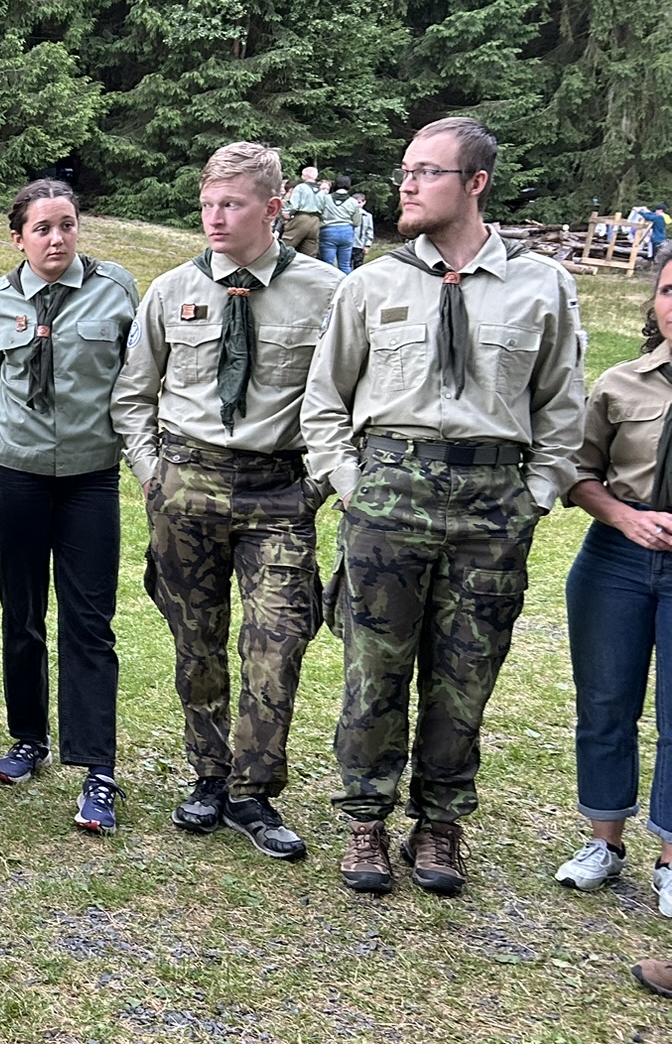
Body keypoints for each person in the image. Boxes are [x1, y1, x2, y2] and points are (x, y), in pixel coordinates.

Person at [302, 116, 586, 897]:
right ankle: (365, 818)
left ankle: (439, 823)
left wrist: (534, 496)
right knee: (374, 670)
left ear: (476, 183)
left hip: (493, 505)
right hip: (390, 495)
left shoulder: (541, 286)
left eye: (427, 172)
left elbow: (562, 409)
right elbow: (324, 401)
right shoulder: (373, 284)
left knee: (467, 676)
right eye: (406, 171)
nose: (408, 185)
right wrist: (352, 484)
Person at [113, 141, 342, 859]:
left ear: (273, 209)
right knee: (197, 642)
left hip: (279, 490)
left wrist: (317, 484)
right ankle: (210, 776)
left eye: (232, 204)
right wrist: (152, 474)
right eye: (208, 203)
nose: (214, 217)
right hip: (187, 484)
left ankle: (254, 792)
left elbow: (351, 400)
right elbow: (132, 396)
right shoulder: (170, 289)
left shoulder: (328, 293)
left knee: (277, 642)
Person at [0, 180, 140, 829]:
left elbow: (133, 374)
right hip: (15, 475)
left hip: (88, 478)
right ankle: (28, 737)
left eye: (66, 225)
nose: (56, 238)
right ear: (19, 238)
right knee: (21, 612)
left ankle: (97, 768)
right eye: (41, 228)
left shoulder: (115, 290)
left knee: (90, 621)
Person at [554, 267, 672, 914]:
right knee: (604, 705)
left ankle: (671, 858)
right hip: (616, 559)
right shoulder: (621, 383)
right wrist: (625, 518)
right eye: (669, 290)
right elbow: (578, 471)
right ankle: (605, 842)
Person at [282, 165, 329, 258]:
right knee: (310, 251)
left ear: (304, 176)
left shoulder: (300, 187)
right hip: (315, 221)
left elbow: (294, 206)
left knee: (286, 244)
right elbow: (325, 209)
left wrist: (288, 214)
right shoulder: (321, 191)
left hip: (302, 218)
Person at [321, 176, 358, 274]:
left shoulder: (326, 198)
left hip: (328, 231)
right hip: (346, 231)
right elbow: (357, 222)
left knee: (327, 264)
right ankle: (347, 283)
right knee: (345, 264)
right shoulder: (353, 201)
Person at [351, 191, 375, 266]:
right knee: (346, 265)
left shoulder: (367, 216)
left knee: (358, 264)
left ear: (364, 202)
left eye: (359, 202)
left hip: (360, 245)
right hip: (348, 244)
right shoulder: (348, 214)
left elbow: (369, 231)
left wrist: (367, 245)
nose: (357, 205)